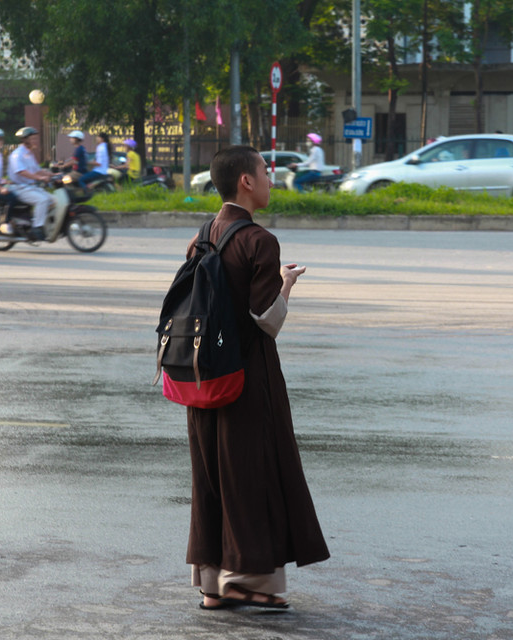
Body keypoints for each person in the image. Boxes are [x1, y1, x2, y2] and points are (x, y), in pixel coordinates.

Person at [184, 145, 329, 611]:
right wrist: (287, 284)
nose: (270, 179)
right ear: (245, 181)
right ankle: (245, 580)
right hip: (246, 379)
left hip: (203, 378)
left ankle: (212, 583)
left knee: (212, 476)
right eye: (265, 172)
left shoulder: (203, 234)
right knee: (252, 474)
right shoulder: (259, 240)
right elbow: (267, 318)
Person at [8, 126, 55, 241]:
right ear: (24, 140)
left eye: (35, 138)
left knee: (54, 200)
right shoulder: (17, 154)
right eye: (32, 139)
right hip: (19, 188)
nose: (35, 141)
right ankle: (37, 228)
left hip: (30, 187)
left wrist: (52, 175)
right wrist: (40, 178)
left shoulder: (29, 154)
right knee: (42, 200)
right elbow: (22, 172)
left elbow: (37, 169)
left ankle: (39, 220)